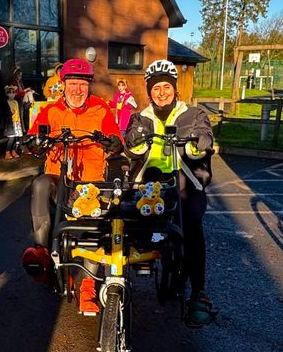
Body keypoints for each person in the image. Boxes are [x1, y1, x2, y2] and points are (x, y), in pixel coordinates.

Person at [21, 57, 122, 313]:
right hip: (58, 177)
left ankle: (87, 285)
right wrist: (31, 144)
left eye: (82, 84)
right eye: (72, 83)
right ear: (63, 84)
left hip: (89, 182)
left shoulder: (100, 110)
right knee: (40, 185)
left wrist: (114, 143)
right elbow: (34, 137)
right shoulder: (50, 111)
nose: (77, 89)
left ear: (89, 86)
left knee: (91, 228)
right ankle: (43, 253)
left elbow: (116, 138)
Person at [124, 60, 217, 327]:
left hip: (185, 179)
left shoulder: (194, 114)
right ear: (149, 91)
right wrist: (133, 142)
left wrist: (200, 143)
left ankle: (199, 291)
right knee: (125, 220)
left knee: (191, 223)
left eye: (167, 87)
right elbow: (134, 148)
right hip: (149, 181)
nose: (162, 92)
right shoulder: (140, 117)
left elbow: (202, 139)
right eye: (156, 88)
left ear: (174, 89)